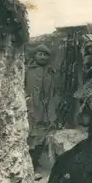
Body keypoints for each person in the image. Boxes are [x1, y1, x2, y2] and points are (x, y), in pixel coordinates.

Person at [25, 44, 57, 176]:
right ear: (35, 55)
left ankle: (35, 165)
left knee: (41, 138)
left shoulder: (51, 73)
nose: (42, 57)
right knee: (29, 136)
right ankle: (28, 166)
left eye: (45, 55)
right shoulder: (28, 71)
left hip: (44, 111)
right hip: (31, 109)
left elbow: (53, 93)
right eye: (40, 54)